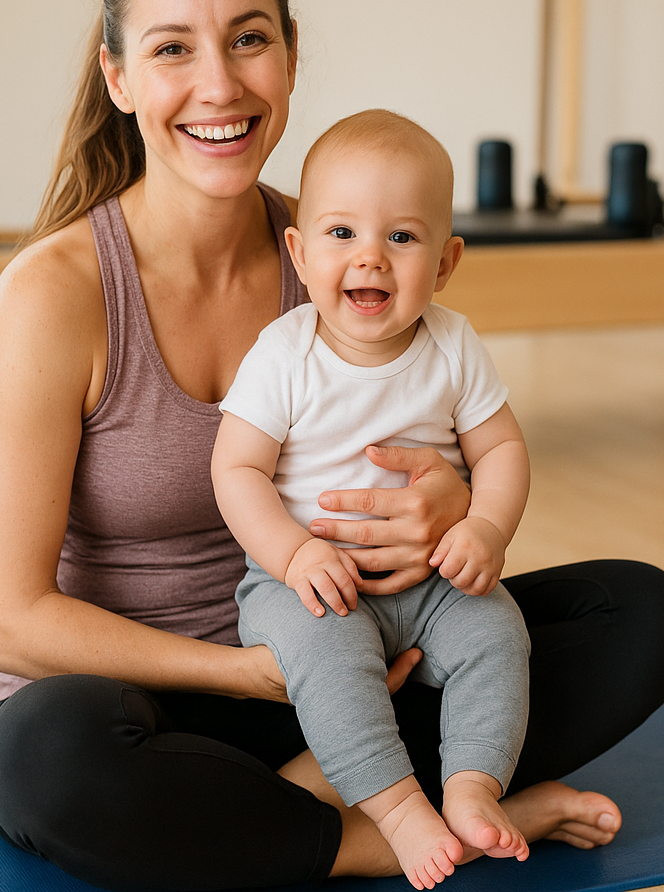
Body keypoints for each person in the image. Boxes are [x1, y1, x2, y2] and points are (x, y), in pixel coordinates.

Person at [0, 0, 664, 892]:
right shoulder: (53, 296)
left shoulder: (343, 254)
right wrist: (248, 675)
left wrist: (447, 504)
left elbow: (456, 438)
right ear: (119, 76)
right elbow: (8, 620)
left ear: (292, 55)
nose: (219, 83)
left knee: (639, 613)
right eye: (173, 48)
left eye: (248, 38)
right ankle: (373, 832)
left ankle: (316, 798)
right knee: (49, 763)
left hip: (357, 662)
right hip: (151, 703)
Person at [213, 110, 533, 889]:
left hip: (432, 587)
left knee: (500, 633)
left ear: (447, 261)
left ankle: (472, 785)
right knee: (330, 658)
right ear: (298, 249)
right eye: (343, 234)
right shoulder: (284, 353)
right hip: (309, 588)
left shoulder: (453, 345)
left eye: (402, 238)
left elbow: (502, 450)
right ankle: (396, 811)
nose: (372, 260)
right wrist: (294, 554)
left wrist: (487, 526)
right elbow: (237, 472)